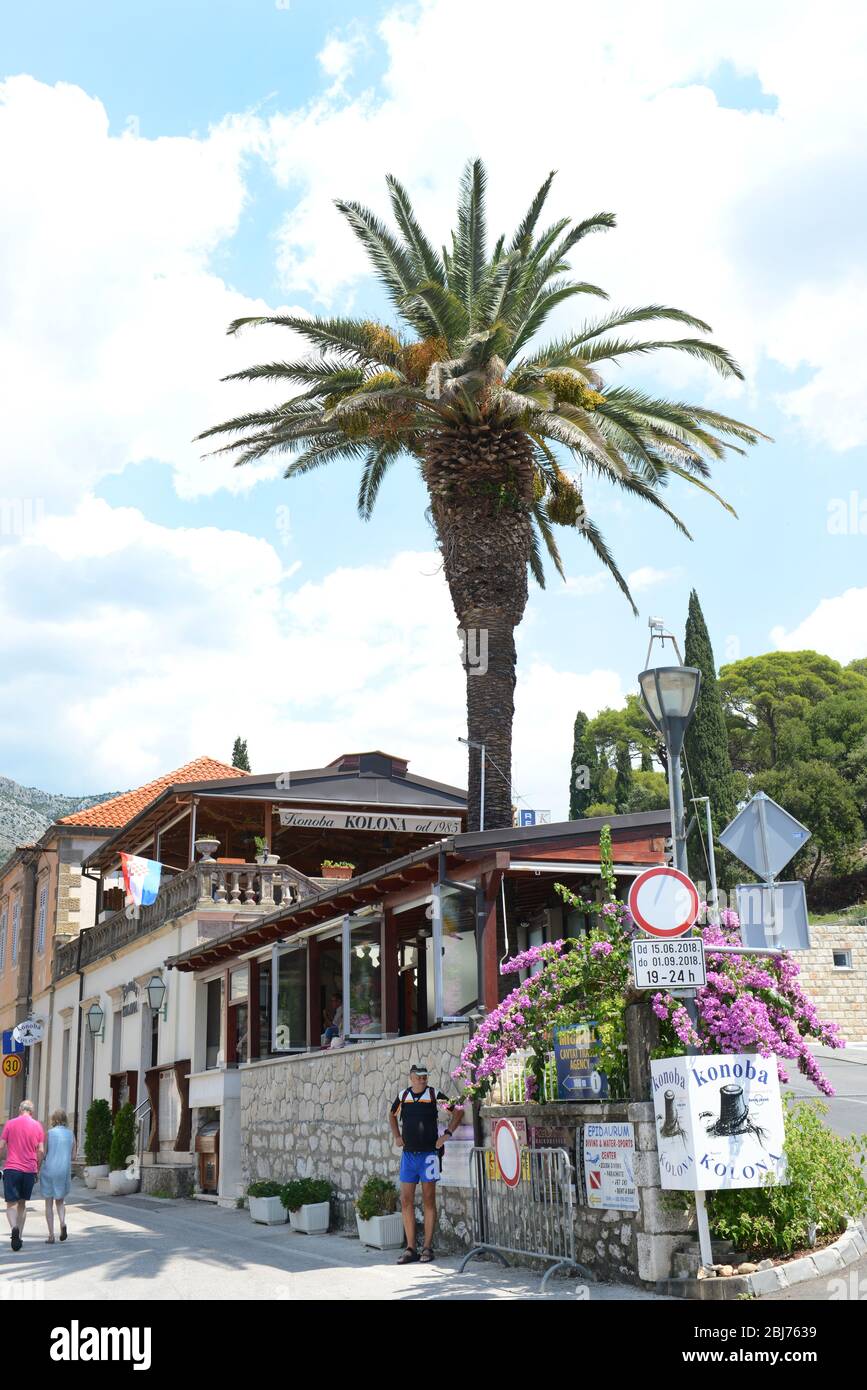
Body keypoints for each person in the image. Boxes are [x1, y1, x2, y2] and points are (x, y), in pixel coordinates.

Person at [389, 1063, 464, 1265]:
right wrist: (396, 1135)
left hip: (429, 1155)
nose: (422, 1080)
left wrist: (446, 1135)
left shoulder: (434, 1094)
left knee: (429, 1199)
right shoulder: (403, 1095)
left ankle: (427, 1248)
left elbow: (458, 1111)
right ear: (411, 1077)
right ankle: (410, 1248)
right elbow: (391, 1114)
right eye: (419, 1077)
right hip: (408, 1155)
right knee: (406, 1200)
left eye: (425, 1076)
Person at [0, 1099, 45, 1251]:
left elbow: (1, 1146)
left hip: (12, 1168)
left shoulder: (10, 1124)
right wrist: (37, 1169)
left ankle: (13, 1227)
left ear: (20, 1110)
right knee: (22, 1203)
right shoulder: (38, 1126)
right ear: (31, 1112)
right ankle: (19, 1236)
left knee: (11, 1204)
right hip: (28, 1170)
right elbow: (41, 1151)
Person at [41, 1109, 75, 1244]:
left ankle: (51, 1235)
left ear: (53, 1119)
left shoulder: (49, 1134)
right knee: (60, 1201)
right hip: (63, 1170)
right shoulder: (71, 1134)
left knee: (48, 1203)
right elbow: (73, 1156)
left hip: (50, 1170)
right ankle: (62, 1223)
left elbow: (44, 1153)